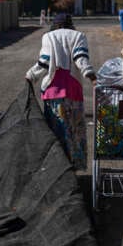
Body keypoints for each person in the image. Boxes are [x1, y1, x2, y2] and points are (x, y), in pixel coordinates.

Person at [26, 13, 96, 170]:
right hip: (73, 92)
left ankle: (58, 171)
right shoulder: (79, 36)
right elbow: (81, 59)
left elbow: (44, 63)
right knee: (75, 132)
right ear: (70, 24)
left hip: (53, 93)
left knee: (56, 134)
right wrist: (92, 77)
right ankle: (75, 168)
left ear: (55, 24)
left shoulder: (48, 37)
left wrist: (30, 76)